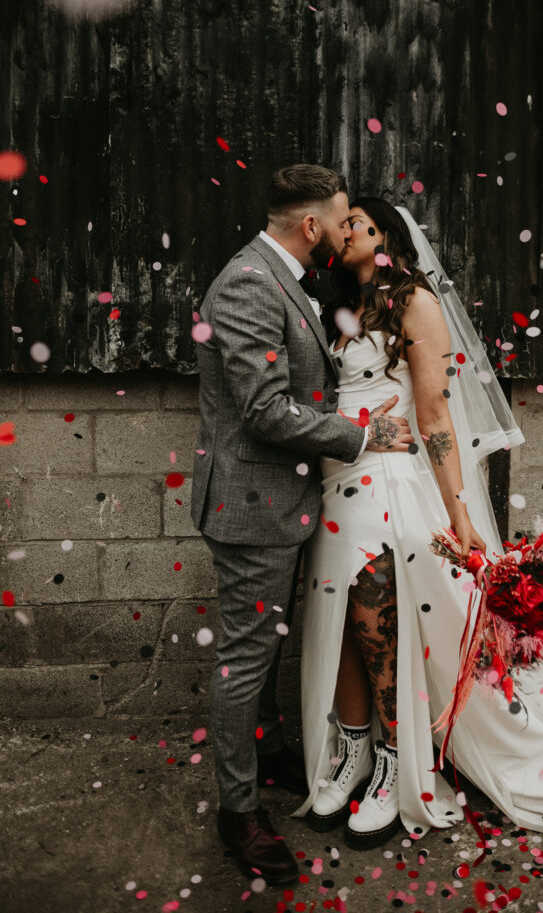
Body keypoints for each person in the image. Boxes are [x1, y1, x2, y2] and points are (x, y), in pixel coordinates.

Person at [291, 198, 543, 880]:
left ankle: (392, 764)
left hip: (386, 482)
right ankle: (349, 749)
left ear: (388, 239)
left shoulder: (412, 302)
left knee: (373, 616)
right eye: (343, 220)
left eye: (361, 221)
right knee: (343, 618)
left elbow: (436, 412)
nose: (346, 227)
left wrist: (460, 515)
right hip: (336, 479)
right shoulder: (333, 305)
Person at [189, 166, 417, 886]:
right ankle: (238, 810)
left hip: (283, 503)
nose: (348, 230)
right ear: (311, 227)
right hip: (253, 508)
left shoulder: (283, 274)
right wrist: (362, 437)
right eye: (341, 218)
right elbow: (263, 409)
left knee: (265, 643)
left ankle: (269, 747)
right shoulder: (249, 283)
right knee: (246, 656)